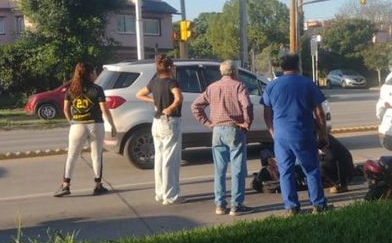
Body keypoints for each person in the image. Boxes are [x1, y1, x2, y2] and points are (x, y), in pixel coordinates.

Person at [260, 54, 330, 215]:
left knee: (285, 171)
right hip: (302, 132)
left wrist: (272, 131)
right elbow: (319, 112)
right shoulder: (307, 83)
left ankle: (291, 207)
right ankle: (318, 205)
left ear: (281, 67)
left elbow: (267, 112)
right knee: (311, 169)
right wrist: (323, 133)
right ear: (298, 65)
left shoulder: (272, 86)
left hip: (281, 135)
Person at [191, 60, 254, 216]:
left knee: (219, 169)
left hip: (217, 131)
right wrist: (247, 123)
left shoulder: (212, 87)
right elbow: (246, 105)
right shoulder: (239, 86)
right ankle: (236, 205)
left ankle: (220, 204)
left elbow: (195, 106)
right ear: (234, 72)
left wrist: (207, 122)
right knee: (237, 169)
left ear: (221, 72)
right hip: (234, 129)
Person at [54, 62, 117, 197]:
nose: (95, 74)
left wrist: (72, 122)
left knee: (72, 156)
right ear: (89, 74)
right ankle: (98, 185)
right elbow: (104, 110)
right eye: (94, 72)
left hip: (77, 125)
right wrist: (112, 125)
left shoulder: (71, 90)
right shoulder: (97, 89)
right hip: (95, 125)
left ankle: (65, 185)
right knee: (96, 155)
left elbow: (66, 109)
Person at [136, 54, 183, 205]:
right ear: (169, 68)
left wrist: (154, 101)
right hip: (169, 122)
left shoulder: (154, 81)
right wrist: (171, 107)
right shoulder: (171, 82)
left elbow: (139, 94)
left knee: (159, 158)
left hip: (156, 123)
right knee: (170, 160)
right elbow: (178, 97)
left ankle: (160, 193)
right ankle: (170, 196)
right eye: (173, 67)